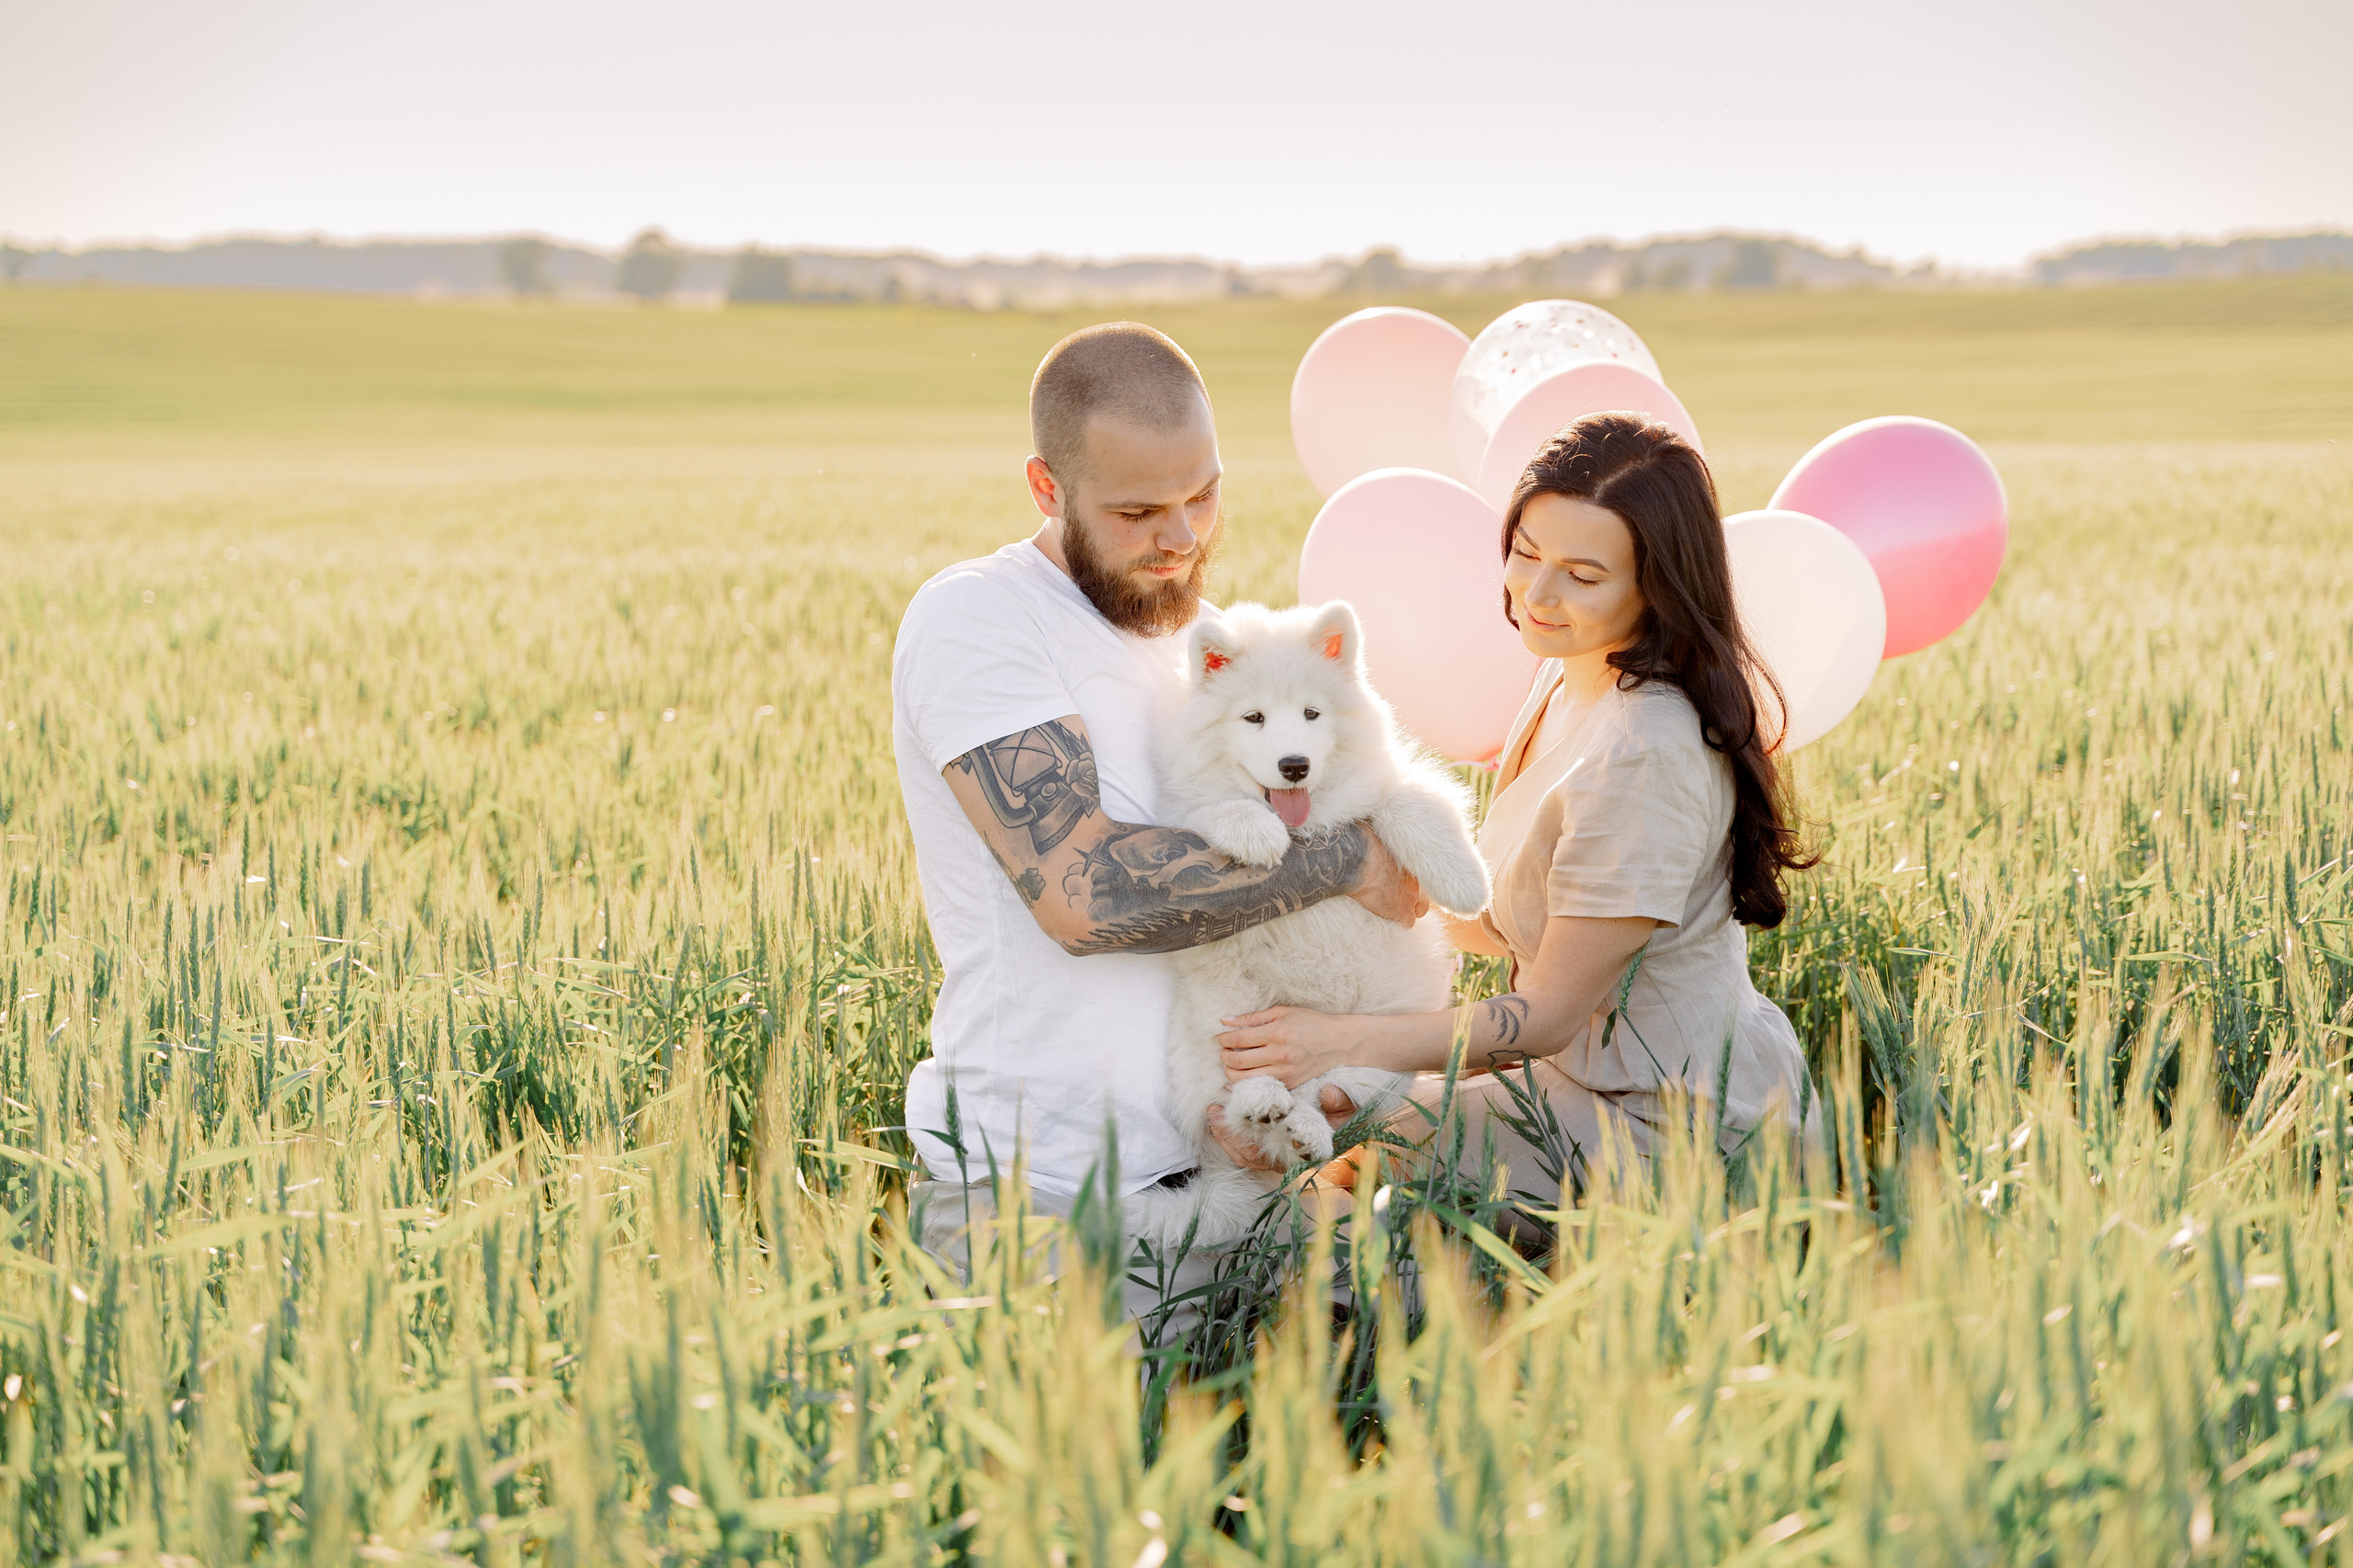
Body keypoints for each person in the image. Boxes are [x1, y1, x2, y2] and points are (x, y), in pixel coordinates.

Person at [890, 323, 1426, 1302]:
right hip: (1043, 1201)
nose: (1179, 538)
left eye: (1202, 493)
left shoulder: (1202, 648)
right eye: (1138, 509)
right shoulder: (980, 618)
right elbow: (1084, 894)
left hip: (1240, 1176)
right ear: (1048, 489)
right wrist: (1350, 859)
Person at [1213, 413, 1821, 1207]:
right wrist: (1371, 896)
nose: (1536, 593)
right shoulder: (1571, 673)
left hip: (1672, 1127)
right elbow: (1513, 917)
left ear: (1659, 584)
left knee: (1316, 1201)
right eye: (1526, 553)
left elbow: (1545, 1017)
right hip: (1566, 1087)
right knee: (1304, 1143)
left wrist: (1329, 1039)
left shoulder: (1647, 750)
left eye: (1582, 574)